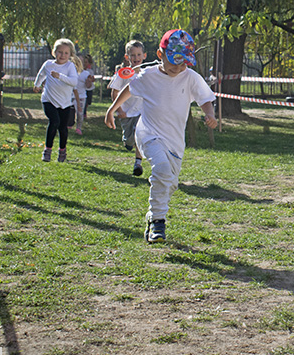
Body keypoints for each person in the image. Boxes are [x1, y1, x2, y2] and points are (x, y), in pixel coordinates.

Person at [105, 29, 217, 244]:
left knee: (170, 183)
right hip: (148, 133)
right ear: (160, 54)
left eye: (184, 62)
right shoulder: (148, 76)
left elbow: (204, 98)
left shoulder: (191, 78)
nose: (179, 66)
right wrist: (112, 109)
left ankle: (153, 214)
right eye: (174, 60)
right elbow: (130, 87)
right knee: (162, 170)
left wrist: (209, 114)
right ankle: (158, 221)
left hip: (174, 140)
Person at [33, 38, 80, 162]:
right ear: (54, 52)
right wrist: (37, 84)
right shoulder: (48, 64)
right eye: (60, 52)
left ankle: (62, 152)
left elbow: (74, 82)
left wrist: (60, 76)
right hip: (48, 99)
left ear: (70, 55)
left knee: (63, 128)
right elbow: (41, 74)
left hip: (64, 103)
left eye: (66, 53)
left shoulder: (70, 66)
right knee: (54, 122)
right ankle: (47, 151)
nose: (62, 55)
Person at [108, 41, 146, 176]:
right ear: (127, 57)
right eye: (133, 55)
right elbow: (114, 91)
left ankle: (138, 163)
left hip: (142, 112)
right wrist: (119, 110)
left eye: (139, 54)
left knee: (139, 135)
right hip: (126, 113)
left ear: (144, 55)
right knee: (130, 139)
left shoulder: (146, 73)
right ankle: (127, 141)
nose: (136, 58)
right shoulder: (123, 74)